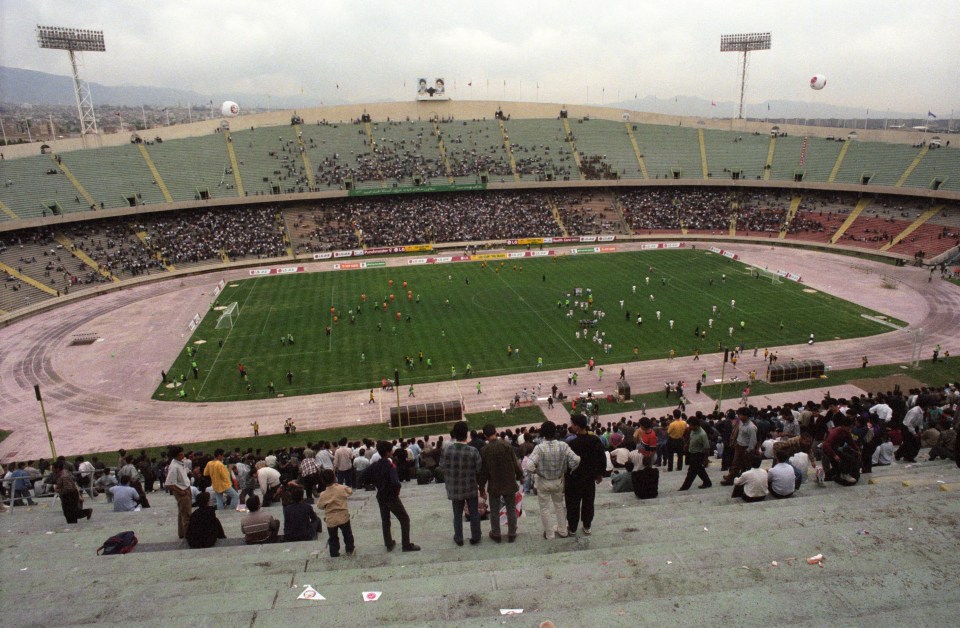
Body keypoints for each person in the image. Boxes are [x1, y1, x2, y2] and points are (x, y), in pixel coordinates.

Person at [362, 440, 420, 552]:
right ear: (388, 452)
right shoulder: (390, 465)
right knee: (404, 519)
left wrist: (374, 482)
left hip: (381, 495)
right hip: (391, 496)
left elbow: (362, 478)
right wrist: (396, 492)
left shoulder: (375, 465)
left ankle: (388, 543)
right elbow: (395, 483)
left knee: (385, 520)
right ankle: (406, 544)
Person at [527, 420, 580, 539]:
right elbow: (576, 459)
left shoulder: (539, 448)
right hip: (558, 481)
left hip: (544, 481)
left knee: (545, 508)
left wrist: (537, 471)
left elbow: (529, 466)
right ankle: (563, 531)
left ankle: (550, 534)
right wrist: (569, 469)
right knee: (559, 505)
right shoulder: (563, 445)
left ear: (543, 433)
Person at [478, 424, 524, 543]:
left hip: (494, 485)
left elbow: (483, 472)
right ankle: (512, 533)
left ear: (485, 436)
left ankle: (496, 533)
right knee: (511, 509)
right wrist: (520, 476)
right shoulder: (506, 445)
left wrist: (482, 487)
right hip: (509, 482)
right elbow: (515, 463)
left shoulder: (484, 450)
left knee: (494, 510)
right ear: (496, 432)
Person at [441, 421, 483, 546]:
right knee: (474, 512)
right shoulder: (473, 451)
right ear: (467, 434)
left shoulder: (447, 450)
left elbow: (442, 466)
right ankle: (475, 536)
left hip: (454, 488)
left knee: (457, 514)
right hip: (470, 486)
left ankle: (458, 537)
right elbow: (478, 468)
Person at [565, 414, 606, 536]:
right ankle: (587, 525)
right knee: (588, 502)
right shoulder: (594, 440)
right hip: (589, 478)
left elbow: (567, 463)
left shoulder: (572, 443)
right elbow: (601, 458)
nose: (571, 426)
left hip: (574, 479)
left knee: (573, 504)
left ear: (577, 426)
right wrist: (599, 474)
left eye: (572, 424)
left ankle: (572, 528)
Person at [316, 469, 355, 557]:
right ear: (334, 478)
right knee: (347, 534)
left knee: (333, 538)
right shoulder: (341, 488)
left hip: (331, 519)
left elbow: (320, 506)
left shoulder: (323, 494)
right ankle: (349, 549)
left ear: (323, 481)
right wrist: (338, 485)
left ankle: (334, 552)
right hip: (343, 516)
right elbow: (350, 491)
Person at [720, 408, 759, 485]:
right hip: (738, 445)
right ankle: (732, 477)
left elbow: (753, 441)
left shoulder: (751, 427)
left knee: (737, 464)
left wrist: (748, 450)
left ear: (746, 416)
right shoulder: (741, 422)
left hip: (745, 448)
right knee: (737, 464)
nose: (738, 416)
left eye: (740, 415)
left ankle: (730, 479)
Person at [165, 446, 193, 539]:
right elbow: (168, 484)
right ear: (176, 456)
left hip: (186, 488)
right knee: (187, 515)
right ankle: (188, 535)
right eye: (181, 454)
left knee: (182, 512)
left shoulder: (181, 463)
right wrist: (180, 491)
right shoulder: (174, 467)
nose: (183, 455)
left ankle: (182, 533)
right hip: (182, 491)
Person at [678, 416, 712, 490]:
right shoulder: (693, 431)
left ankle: (685, 487)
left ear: (696, 425)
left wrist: (706, 460)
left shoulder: (702, 434)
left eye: (690, 425)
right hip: (692, 453)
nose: (689, 427)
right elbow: (691, 438)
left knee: (691, 472)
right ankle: (707, 482)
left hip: (698, 455)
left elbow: (706, 448)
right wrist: (687, 444)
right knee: (699, 470)